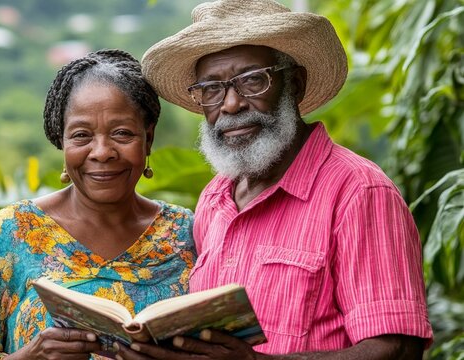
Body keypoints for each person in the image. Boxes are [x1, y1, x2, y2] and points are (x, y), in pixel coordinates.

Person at [113, 0, 433, 359]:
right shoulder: (215, 198)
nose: (231, 104)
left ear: (294, 84)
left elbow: (398, 350)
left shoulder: (359, 192)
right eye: (211, 89)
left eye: (252, 80)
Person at [0, 49, 196, 359]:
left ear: (147, 139)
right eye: (82, 135)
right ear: (62, 140)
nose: (102, 152)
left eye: (122, 133)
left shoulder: (186, 234)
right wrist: (33, 356)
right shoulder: (9, 234)